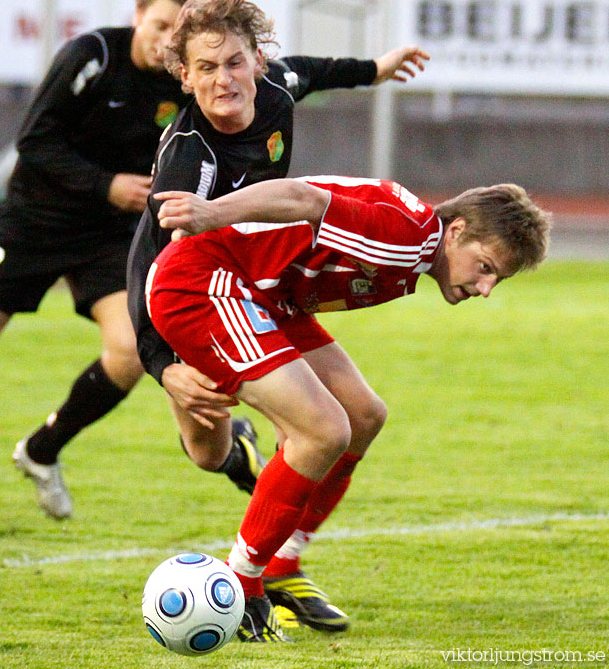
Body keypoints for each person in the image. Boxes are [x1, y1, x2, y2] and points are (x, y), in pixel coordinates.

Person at [126, 0, 429, 631]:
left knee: (358, 415)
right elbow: (149, 261)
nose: (223, 79)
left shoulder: (276, 91)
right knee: (207, 451)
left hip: (259, 284)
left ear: (258, 61)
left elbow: (313, 70)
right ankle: (243, 469)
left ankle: (275, 566)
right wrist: (160, 363)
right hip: (194, 301)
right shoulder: (189, 158)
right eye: (204, 68)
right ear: (184, 77)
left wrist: (375, 69)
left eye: (234, 62)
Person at [144, 174, 551, 642]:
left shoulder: (416, 246)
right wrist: (210, 213)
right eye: (484, 267)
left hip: (265, 296)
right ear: (456, 230)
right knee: (322, 431)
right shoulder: (407, 239)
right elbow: (304, 198)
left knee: (362, 416)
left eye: (496, 278)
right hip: (205, 281)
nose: (485, 288)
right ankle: (243, 584)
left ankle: (281, 564)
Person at [0, 0, 266, 521]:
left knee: (132, 352)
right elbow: (33, 138)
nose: (162, 41)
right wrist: (105, 184)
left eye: (173, 31)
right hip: (30, 227)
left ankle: (42, 450)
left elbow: (277, 74)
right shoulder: (93, 56)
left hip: (105, 238)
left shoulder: (185, 79)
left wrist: (369, 70)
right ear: (138, 16)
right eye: (156, 24)